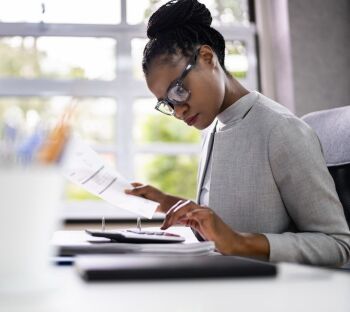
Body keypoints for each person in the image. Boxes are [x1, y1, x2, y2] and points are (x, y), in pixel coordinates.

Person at [125, 0, 350, 266]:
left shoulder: (281, 130)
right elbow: (225, 224)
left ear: (207, 58)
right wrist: (166, 201)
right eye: (168, 102)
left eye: (178, 90)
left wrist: (240, 243)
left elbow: (338, 245)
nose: (177, 111)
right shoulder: (213, 128)